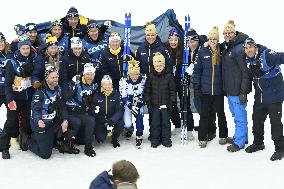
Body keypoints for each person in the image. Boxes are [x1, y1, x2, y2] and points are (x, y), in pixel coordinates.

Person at [242, 38, 284, 161]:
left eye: (250, 47)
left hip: (274, 95)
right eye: (246, 48)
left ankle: (280, 148)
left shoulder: (267, 55)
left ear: (255, 47)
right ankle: (258, 143)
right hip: (260, 96)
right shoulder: (248, 60)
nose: (248, 50)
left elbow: (281, 57)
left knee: (275, 123)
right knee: (257, 119)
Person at [26, 66, 79, 159]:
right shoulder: (40, 93)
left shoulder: (58, 89)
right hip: (41, 124)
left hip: (53, 121)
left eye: (57, 77)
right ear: (46, 78)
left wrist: (65, 120)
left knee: (74, 122)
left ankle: (59, 142)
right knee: (46, 154)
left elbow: (62, 106)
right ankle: (26, 141)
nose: (55, 79)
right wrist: (39, 120)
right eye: (52, 77)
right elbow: (35, 110)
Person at [192, 26, 228, 148]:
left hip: (218, 91)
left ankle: (223, 135)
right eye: (211, 39)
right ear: (208, 39)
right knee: (204, 114)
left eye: (215, 39)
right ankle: (202, 137)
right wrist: (197, 87)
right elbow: (197, 71)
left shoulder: (222, 51)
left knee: (221, 114)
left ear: (218, 40)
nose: (213, 41)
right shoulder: (202, 52)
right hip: (206, 90)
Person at [0, 35, 35, 159]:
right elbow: (8, 83)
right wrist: (10, 100)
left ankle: (24, 142)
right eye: (23, 48)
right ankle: (4, 147)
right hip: (16, 98)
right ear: (19, 49)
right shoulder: (12, 62)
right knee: (11, 123)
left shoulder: (32, 59)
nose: (26, 50)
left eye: (27, 48)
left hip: (28, 97)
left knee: (26, 122)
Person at [221, 20, 251, 152]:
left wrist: (243, 92)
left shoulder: (239, 48)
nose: (227, 35)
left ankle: (239, 143)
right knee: (236, 115)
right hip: (230, 90)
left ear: (235, 33)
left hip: (238, 91)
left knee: (240, 117)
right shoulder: (229, 47)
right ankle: (242, 137)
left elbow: (245, 72)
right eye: (225, 33)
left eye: (230, 32)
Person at [144, 52, 176, 148]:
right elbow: (147, 91)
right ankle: (155, 140)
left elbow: (172, 91)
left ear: (164, 65)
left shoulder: (169, 76)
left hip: (166, 105)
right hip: (154, 105)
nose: (159, 67)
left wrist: (171, 103)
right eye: (157, 65)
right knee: (155, 123)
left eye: (160, 65)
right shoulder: (150, 77)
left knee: (166, 123)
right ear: (154, 66)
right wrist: (149, 103)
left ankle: (166, 139)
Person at [66, 63, 97, 157]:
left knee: (91, 120)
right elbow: (67, 99)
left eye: (91, 74)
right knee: (87, 121)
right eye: (87, 74)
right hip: (72, 112)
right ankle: (67, 142)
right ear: (83, 74)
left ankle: (87, 146)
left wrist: (93, 106)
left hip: (83, 112)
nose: (89, 76)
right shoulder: (76, 83)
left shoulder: (94, 84)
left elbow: (95, 99)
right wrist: (78, 107)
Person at [90, 75, 124, 148]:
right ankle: (102, 133)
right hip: (101, 121)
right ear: (102, 85)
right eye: (105, 84)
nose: (107, 87)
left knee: (121, 123)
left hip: (112, 120)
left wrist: (112, 121)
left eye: (109, 84)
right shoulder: (97, 95)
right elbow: (91, 108)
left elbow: (120, 110)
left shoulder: (116, 95)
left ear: (112, 85)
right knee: (101, 138)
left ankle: (114, 138)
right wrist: (94, 110)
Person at [119, 59, 146, 148]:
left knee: (140, 116)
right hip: (128, 102)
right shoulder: (123, 80)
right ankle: (129, 129)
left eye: (136, 74)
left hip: (139, 101)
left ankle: (139, 135)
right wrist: (130, 105)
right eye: (132, 74)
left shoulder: (144, 79)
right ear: (129, 74)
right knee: (127, 124)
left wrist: (138, 105)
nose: (134, 77)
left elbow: (146, 94)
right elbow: (123, 96)